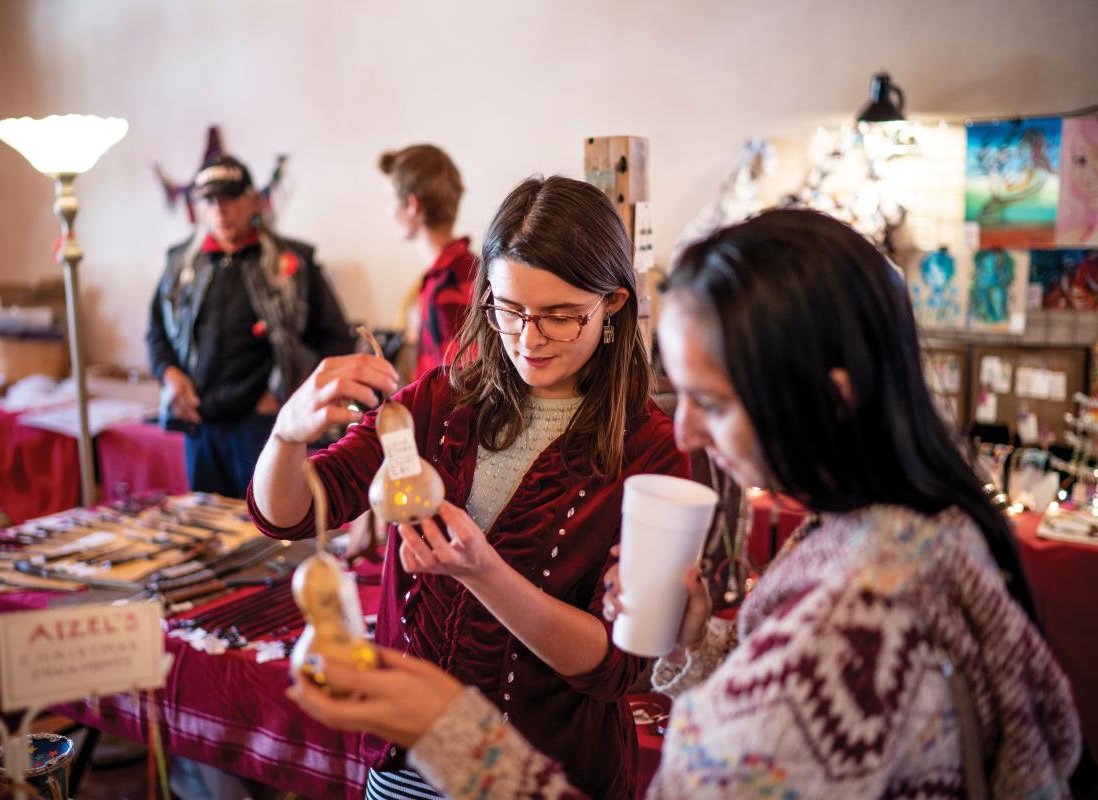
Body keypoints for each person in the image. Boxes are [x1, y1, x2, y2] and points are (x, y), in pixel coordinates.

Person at [286, 209, 1082, 799]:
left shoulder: (858, 616)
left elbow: (789, 693)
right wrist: (700, 644)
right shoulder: (911, 535)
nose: (692, 426)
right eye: (512, 311)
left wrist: (445, 727)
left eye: (716, 399)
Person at [249, 175, 688, 799]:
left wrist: (482, 571)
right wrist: (287, 436)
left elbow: (619, 666)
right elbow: (288, 514)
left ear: (612, 303)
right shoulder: (442, 402)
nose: (529, 340)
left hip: (544, 776)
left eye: (560, 317)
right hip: (406, 767)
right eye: (508, 310)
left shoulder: (648, 449)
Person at [147, 155, 355, 498]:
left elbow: (336, 340)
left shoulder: (295, 261)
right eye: (210, 201)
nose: (220, 210)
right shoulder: (179, 262)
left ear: (253, 201)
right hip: (200, 424)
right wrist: (169, 374)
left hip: (265, 424)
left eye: (230, 198)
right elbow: (156, 333)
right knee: (208, 529)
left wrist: (288, 393)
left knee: (270, 527)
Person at [379, 144, 479, 381]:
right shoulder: (471, 267)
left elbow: (454, 388)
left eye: (389, 199)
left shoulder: (447, 287)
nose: (388, 210)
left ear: (412, 205)